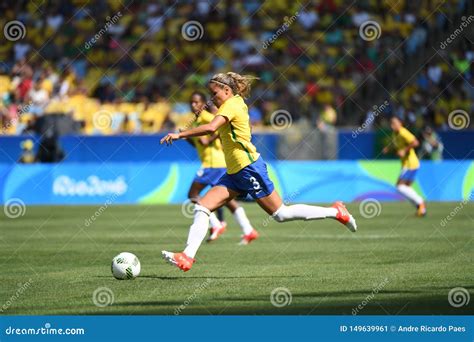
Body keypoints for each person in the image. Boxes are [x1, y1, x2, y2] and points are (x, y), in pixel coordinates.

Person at [160, 72, 357, 272]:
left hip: (248, 167)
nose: (212, 99)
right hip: (235, 172)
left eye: (214, 93)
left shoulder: (232, 105)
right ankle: (187, 256)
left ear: (227, 90)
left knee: (281, 213)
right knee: (202, 207)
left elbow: (211, 128)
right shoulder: (233, 103)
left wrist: (179, 134)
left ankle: (336, 212)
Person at [186, 91, 259, 244]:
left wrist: (210, 139)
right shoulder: (196, 121)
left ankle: (216, 224)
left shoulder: (208, 117)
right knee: (227, 200)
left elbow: (220, 128)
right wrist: (187, 138)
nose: (194, 105)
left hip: (213, 164)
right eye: (192, 102)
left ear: (203, 103)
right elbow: (199, 143)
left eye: (197, 102)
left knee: (193, 194)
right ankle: (248, 230)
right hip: (214, 163)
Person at [383, 117, 427, 217]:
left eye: (394, 123)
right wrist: (388, 149)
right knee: (406, 187)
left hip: (410, 164)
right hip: (407, 164)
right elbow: (396, 144)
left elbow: (415, 142)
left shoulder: (404, 132)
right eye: (391, 123)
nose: (392, 125)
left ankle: (420, 203)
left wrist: (405, 150)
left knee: (399, 186)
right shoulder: (395, 134)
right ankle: (421, 208)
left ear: (400, 123)